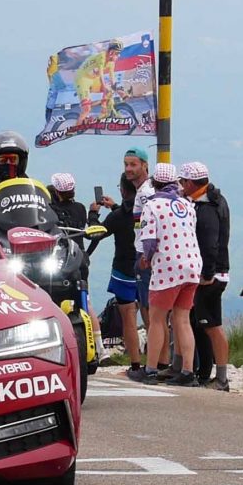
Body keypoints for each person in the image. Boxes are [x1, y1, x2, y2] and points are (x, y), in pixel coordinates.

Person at [132, 161, 201, 383]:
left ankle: (151, 369)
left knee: (157, 318)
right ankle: (188, 372)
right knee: (182, 318)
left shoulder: (152, 206)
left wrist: (145, 258)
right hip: (192, 265)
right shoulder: (187, 205)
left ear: (154, 183)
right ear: (174, 183)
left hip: (168, 266)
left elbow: (149, 240)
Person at [183, 161, 233, 389]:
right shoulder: (209, 201)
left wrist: (207, 273)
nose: (182, 187)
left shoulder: (207, 208)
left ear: (192, 183)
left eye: (184, 182)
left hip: (212, 275)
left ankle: (222, 377)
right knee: (199, 323)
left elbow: (210, 243)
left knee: (212, 325)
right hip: (210, 272)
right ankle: (204, 372)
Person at [97, 149, 149, 364]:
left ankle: (135, 363)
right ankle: (158, 362)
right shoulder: (147, 205)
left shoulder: (117, 217)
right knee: (151, 317)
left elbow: (98, 232)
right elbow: (133, 218)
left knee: (128, 317)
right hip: (146, 265)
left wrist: (94, 214)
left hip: (123, 270)